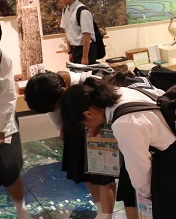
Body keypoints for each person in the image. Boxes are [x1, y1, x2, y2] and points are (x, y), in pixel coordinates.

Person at [59, 78, 176, 219]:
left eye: (85, 124)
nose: (88, 128)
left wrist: (147, 195)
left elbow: (140, 167)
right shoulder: (121, 92)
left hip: (173, 174)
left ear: (88, 114)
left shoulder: (124, 123)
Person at [24, 71, 118, 219]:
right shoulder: (50, 93)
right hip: (76, 130)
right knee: (86, 172)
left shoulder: (91, 85)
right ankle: (101, 211)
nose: (55, 110)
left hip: (100, 129)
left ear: (64, 91)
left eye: (56, 107)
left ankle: (107, 215)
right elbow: (61, 128)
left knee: (103, 174)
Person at [0, 27, 31, 219]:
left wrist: (1, 129)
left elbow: (7, 97)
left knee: (8, 170)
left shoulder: (3, 59)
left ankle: (21, 209)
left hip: (2, 121)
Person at [56, 0, 97, 65]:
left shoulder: (83, 11)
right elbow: (67, 32)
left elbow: (87, 35)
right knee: (76, 76)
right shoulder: (65, 10)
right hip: (75, 50)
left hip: (86, 50)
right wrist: (70, 52)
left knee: (86, 77)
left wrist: (85, 57)